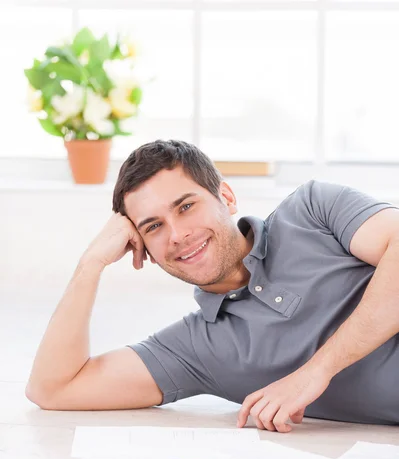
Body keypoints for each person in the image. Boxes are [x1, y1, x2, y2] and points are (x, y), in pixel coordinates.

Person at [26, 139, 399, 433]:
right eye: (153, 227)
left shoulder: (314, 209)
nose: (178, 235)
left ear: (227, 197)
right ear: (144, 250)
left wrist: (316, 370)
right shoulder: (197, 349)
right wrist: (89, 265)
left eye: (186, 206)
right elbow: (52, 388)